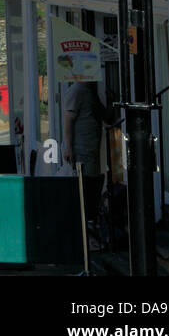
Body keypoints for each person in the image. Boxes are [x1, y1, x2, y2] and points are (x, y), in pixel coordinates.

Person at [63, 79, 107, 245]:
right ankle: (82, 238)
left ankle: (89, 235)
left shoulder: (91, 93)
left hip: (92, 151)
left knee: (92, 191)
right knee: (84, 192)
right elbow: (68, 118)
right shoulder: (77, 89)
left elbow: (107, 116)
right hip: (81, 151)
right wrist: (68, 147)